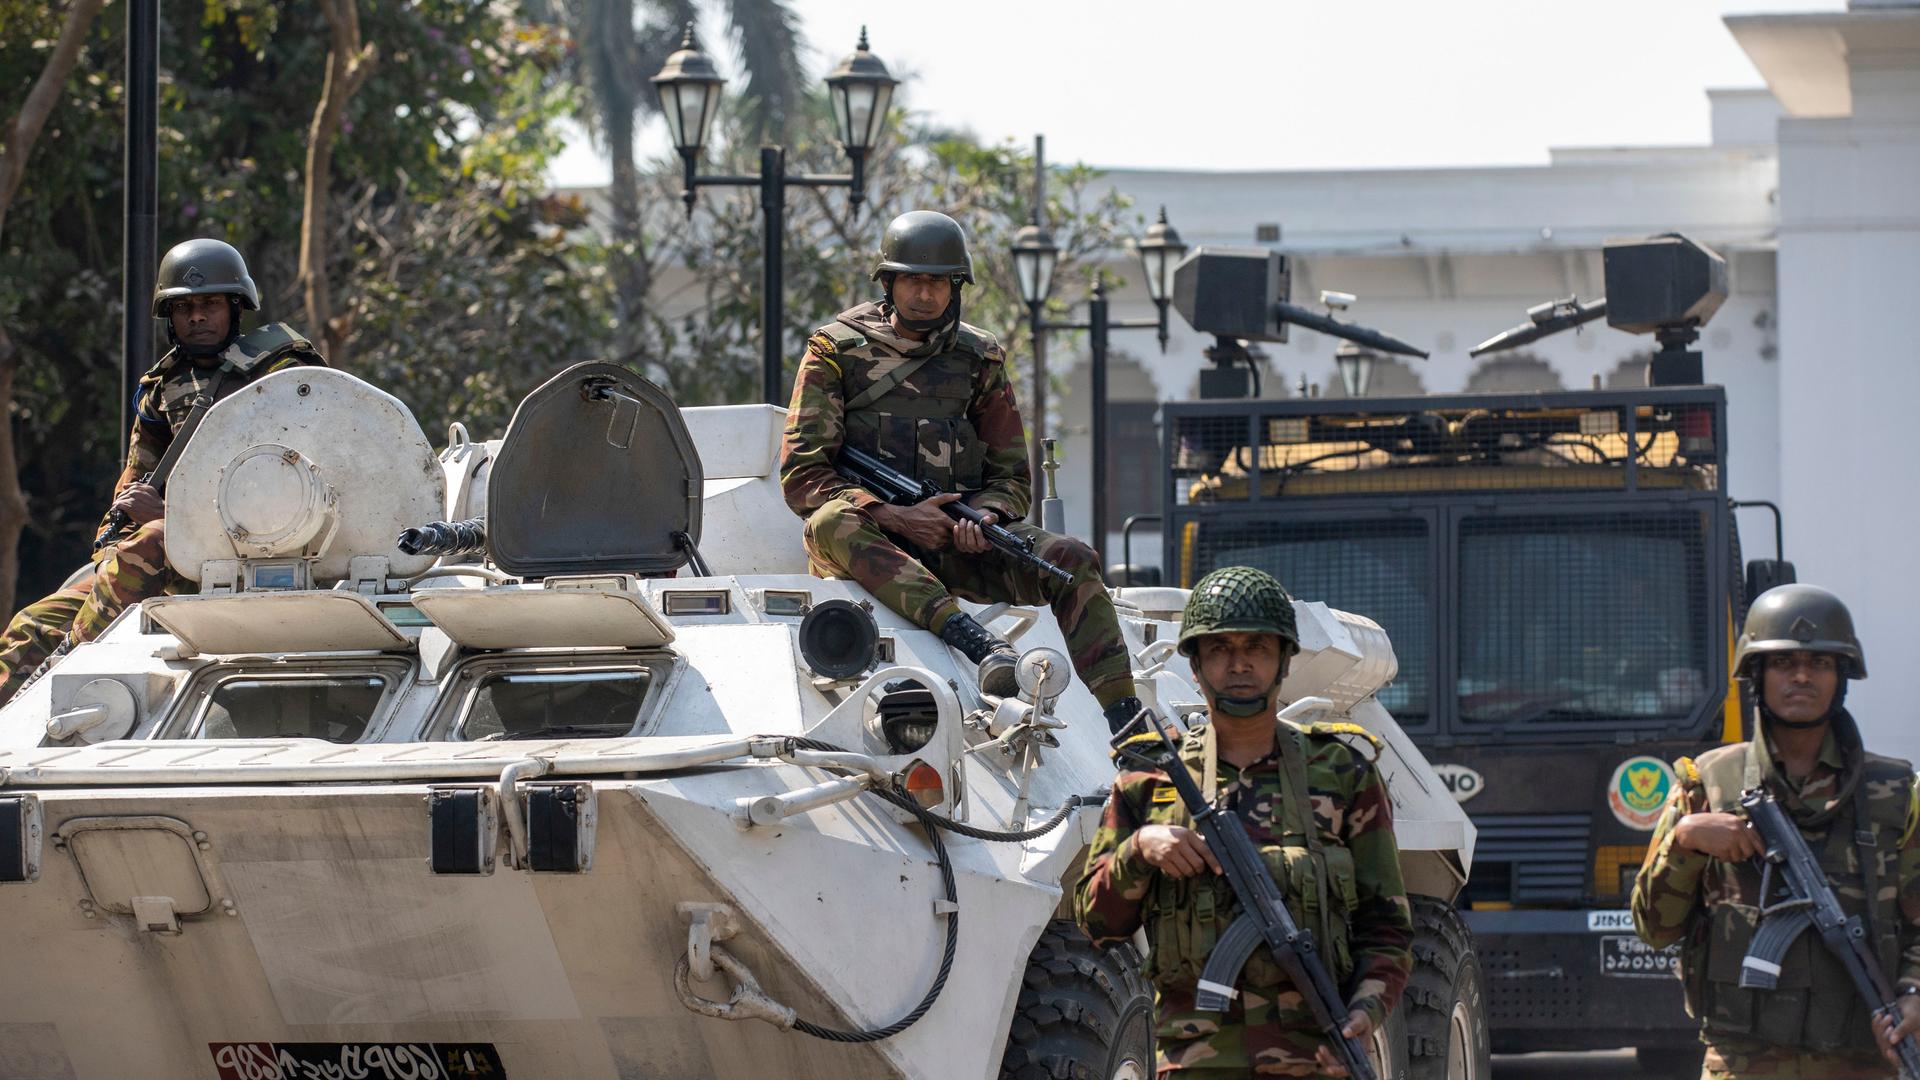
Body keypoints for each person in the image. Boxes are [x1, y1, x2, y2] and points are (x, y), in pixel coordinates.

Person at [779, 209, 1142, 730]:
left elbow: (1013, 478)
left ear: (956, 288)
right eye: (913, 279)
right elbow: (803, 476)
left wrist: (986, 519)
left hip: (957, 541)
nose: (925, 294)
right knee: (830, 520)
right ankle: (976, 642)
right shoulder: (835, 350)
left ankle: (1129, 724)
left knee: (1071, 558)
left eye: (939, 282)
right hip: (869, 547)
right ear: (889, 281)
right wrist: (898, 517)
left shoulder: (979, 357)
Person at [1074, 565, 1413, 1077]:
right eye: (1219, 650)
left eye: (1256, 648)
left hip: (1314, 1062)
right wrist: (1140, 850)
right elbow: (1096, 924)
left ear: (1282, 660)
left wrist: (1365, 1013)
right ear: (1195, 666)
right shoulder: (1149, 783)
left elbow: (1386, 929)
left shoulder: (1344, 775)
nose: (1238, 665)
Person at [0, 238, 324, 705]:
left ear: (236, 308)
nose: (196, 316)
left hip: (262, 551)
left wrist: (168, 516)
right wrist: (116, 538)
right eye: (184, 307)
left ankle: (65, 669)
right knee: (32, 624)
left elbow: (309, 473)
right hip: (169, 556)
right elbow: (135, 483)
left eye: (210, 304)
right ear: (170, 318)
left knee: (150, 541)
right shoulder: (163, 388)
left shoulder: (286, 372)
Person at [1631, 583, 1920, 1079]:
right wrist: (1687, 841)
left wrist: (1914, 992)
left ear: (1842, 677)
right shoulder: (1709, 782)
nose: (1803, 676)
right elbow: (1653, 930)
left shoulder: (1893, 791)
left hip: (1863, 1060)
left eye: (1821, 664)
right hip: (1743, 1064)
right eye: (1785, 663)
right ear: (1758, 675)